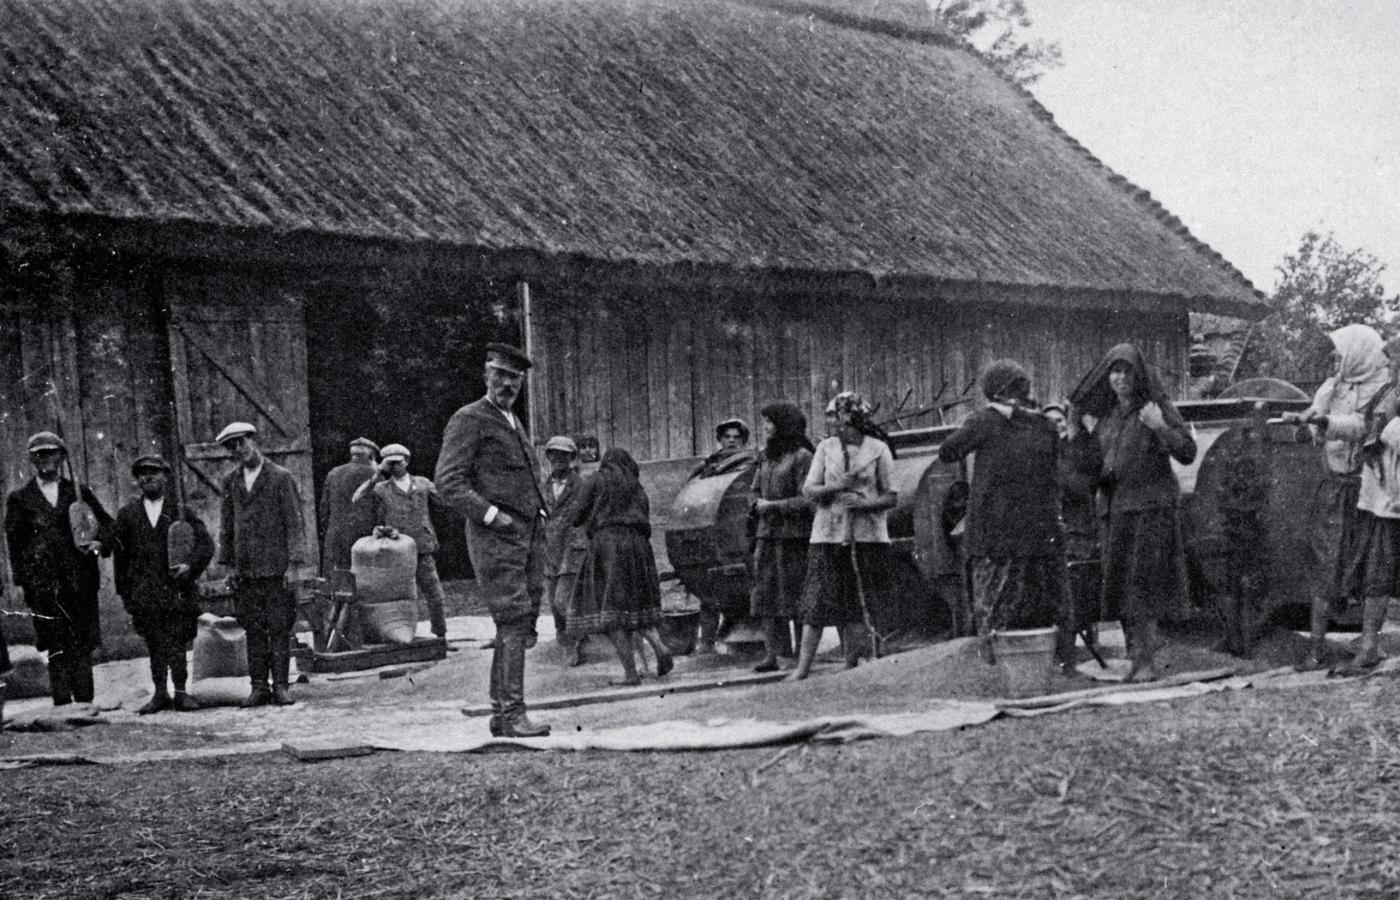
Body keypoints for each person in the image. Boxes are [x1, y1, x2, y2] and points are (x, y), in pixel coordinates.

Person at [435, 342, 551, 738]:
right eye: (500, 375)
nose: (507, 384)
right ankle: (513, 714)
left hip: (526, 535)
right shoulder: (469, 419)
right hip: (497, 538)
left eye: (514, 377)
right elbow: (448, 482)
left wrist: (540, 512)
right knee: (513, 619)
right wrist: (491, 515)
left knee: (518, 622)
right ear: (486, 375)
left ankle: (503, 714)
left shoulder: (512, 420)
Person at [1071, 344, 1196, 683]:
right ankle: (1134, 658)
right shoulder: (1109, 417)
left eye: (1127, 371)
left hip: (1149, 510)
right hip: (1116, 512)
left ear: (1138, 375)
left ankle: (1146, 662)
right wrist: (1079, 432)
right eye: (1115, 371)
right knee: (1121, 587)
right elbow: (1095, 467)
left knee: (1144, 586)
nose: (1121, 378)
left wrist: (1158, 426)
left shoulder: (1155, 407)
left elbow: (1187, 451)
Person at [1279, 325, 1394, 670]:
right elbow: (1316, 425)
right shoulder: (1333, 386)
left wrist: (1325, 421)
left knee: (1370, 567)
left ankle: (1369, 644)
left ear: (1358, 354)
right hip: (1334, 487)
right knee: (1325, 565)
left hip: (1367, 491)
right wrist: (1304, 424)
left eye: (1339, 353)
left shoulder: (1383, 388)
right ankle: (1316, 648)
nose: (1334, 359)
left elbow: (1361, 426)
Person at [938, 361, 1068, 662]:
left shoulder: (991, 421)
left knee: (997, 608)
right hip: (1029, 534)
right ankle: (1047, 662)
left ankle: (1000, 663)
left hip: (1002, 536)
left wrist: (986, 417)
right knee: (1035, 606)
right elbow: (949, 452)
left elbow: (948, 451)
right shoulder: (1039, 425)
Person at [789, 392, 896, 680]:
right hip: (828, 535)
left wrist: (863, 504)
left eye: (834, 416)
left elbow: (891, 496)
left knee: (860, 602)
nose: (829, 422)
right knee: (817, 602)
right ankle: (802, 668)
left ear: (850, 419)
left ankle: (854, 664)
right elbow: (809, 491)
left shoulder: (878, 449)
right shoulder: (826, 449)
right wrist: (836, 486)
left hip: (868, 537)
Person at [4, 431, 113, 706]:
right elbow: (16, 546)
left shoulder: (78, 493)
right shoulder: (20, 499)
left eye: (51, 453)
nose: (45, 459)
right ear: (31, 459)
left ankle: (85, 706)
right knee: (55, 646)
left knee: (81, 645)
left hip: (80, 583)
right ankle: (62, 709)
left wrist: (98, 543)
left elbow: (107, 525)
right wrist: (28, 584)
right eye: (39, 454)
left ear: (62, 457)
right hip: (44, 588)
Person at [112, 454, 214, 714]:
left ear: (165, 477)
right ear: (138, 480)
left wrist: (190, 566)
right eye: (143, 474)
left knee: (177, 642)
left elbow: (206, 545)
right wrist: (126, 595)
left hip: (177, 591)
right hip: (145, 593)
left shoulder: (181, 512)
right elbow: (120, 559)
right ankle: (159, 693)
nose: (148, 477)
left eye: (154, 472)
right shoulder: (128, 515)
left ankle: (181, 693)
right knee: (155, 643)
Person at [216, 421, 307, 707]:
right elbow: (226, 526)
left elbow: (295, 523)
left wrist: (294, 566)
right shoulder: (230, 482)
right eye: (232, 447)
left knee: (279, 627)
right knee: (253, 628)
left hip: (276, 568)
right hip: (246, 570)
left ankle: (280, 686)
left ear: (254, 441)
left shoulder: (280, 477)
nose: (239, 450)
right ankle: (258, 687)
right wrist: (229, 566)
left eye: (242, 442)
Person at [566, 448, 674, 686]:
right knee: (638, 606)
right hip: (639, 547)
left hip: (608, 547)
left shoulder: (596, 479)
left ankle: (631, 674)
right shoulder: (636, 485)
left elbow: (576, 517)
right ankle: (660, 646)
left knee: (612, 614)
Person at [353, 443, 450, 640]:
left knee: (435, 595)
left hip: (422, 548)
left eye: (398, 462)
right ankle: (399, 636)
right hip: (397, 551)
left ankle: (441, 637)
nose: (395, 467)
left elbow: (445, 500)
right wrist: (377, 474)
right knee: (396, 598)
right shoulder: (382, 488)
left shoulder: (422, 483)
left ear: (407, 461)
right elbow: (358, 498)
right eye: (390, 463)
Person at [748, 402, 815, 673]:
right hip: (767, 536)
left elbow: (807, 499)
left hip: (794, 538)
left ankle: (801, 654)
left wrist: (774, 506)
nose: (765, 428)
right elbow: (754, 490)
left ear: (784, 425)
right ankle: (774, 654)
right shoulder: (766, 457)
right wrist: (756, 503)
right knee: (765, 595)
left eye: (770, 422)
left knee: (796, 595)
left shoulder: (802, 457)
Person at [689, 418, 759, 653]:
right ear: (719, 440)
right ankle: (707, 642)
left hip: (745, 536)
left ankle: (748, 637)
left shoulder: (752, 464)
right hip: (714, 534)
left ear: (743, 441)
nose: (731, 441)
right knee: (709, 591)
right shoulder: (709, 466)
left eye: (736, 437)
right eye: (727, 437)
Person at [1044, 402, 1105, 670]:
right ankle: (1063, 652)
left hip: (1080, 529)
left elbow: (1082, 485)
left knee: (1079, 590)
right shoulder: (1042, 452)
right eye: (1050, 421)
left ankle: (1079, 646)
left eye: (1060, 420)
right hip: (1054, 531)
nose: (1056, 425)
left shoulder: (1076, 450)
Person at [542, 435, 591, 666]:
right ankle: (567, 638)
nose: (558, 459)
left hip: (572, 550)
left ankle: (573, 644)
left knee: (563, 601)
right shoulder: (543, 486)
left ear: (571, 458)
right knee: (554, 604)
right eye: (554, 454)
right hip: (550, 551)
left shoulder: (581, 485)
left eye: (564, 455)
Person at [318, 437, 378, 575]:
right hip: (364, 537)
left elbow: (324, 509)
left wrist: (329, 530)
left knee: (336, 577)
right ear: (370, 456)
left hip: (336, 535)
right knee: (362, 578)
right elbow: (380, 508)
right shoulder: (374, 475)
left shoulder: (333, 473)